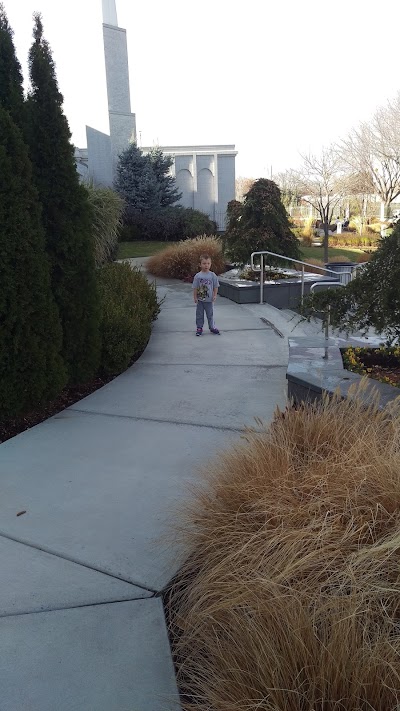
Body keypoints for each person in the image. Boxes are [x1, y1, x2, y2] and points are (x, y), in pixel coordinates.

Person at [193, 254, 220, 336]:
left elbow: (215, 286)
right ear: (200, 264)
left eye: (208, 263)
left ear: (210, 264)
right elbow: (195, 287)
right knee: (199, 314)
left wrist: (215, 295)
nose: (206, 265)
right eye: (204, 263)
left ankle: (212, 327)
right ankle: (199, 328)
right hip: (200, 300)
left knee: (210, 314)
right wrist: (195, 297)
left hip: (209, 300)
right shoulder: (198, 276)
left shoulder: (212, 275)